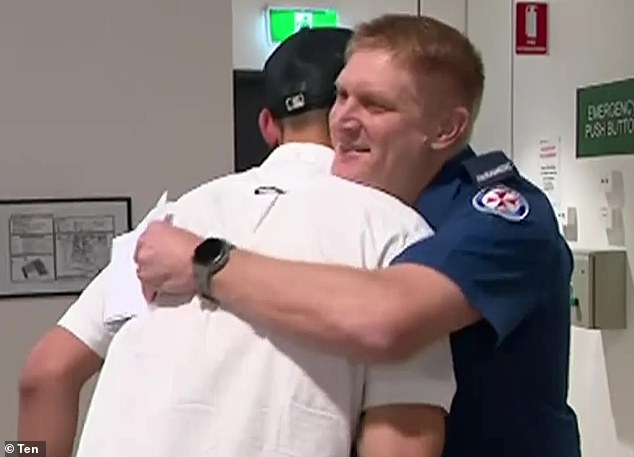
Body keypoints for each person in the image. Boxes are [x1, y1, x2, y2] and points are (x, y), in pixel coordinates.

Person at [135, 14, 582, 457]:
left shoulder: (505, 220)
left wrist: (204, 263)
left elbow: (386, 318)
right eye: (341, 96)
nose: (343, 120)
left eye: (375, 105)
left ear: (446, 129)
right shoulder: (353, 208)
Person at [19, 27, 454, 457]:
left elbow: (45, 373)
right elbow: (401, 441)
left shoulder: (169, 223)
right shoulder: (395, 234)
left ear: (267, 125)